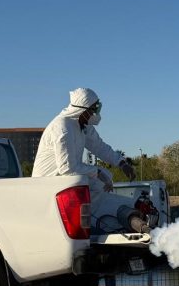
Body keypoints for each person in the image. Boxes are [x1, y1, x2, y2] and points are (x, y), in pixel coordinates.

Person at [32, 87, 145, 232]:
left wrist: (121, 163)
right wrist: (97, 172)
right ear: (83, 109)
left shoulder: (82, 125)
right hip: (50, 182)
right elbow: (67, 168)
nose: (96, 113)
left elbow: (99, 146)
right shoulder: (62, 127)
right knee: (101, 179)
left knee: (104, 178)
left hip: (66, 177)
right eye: (94, 109)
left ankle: (91, 221)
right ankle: (86, 223)